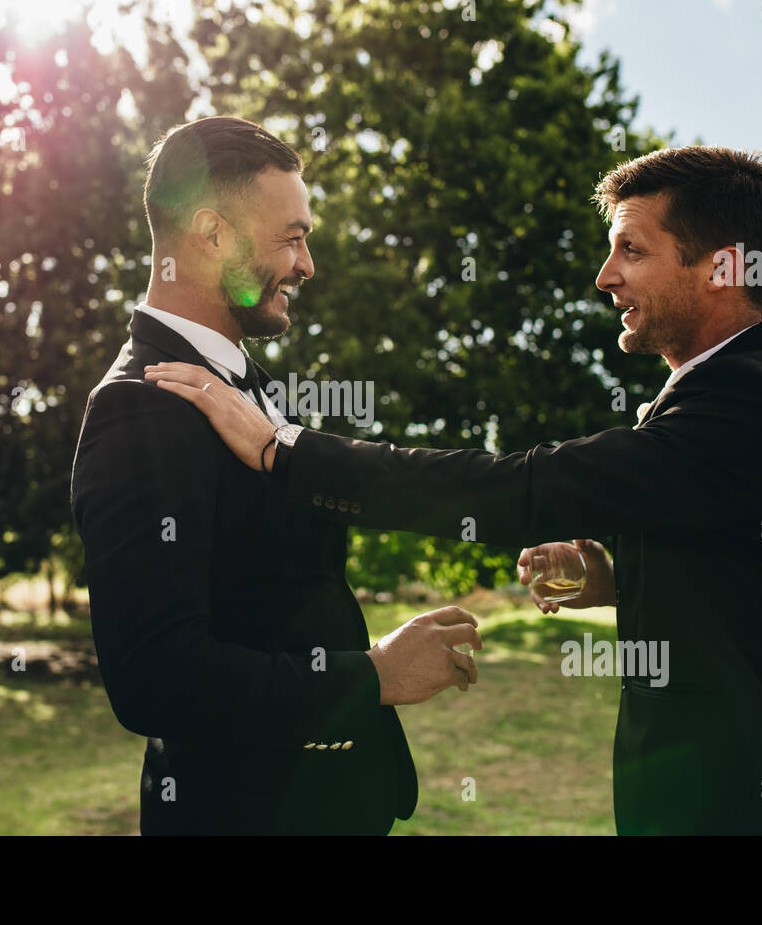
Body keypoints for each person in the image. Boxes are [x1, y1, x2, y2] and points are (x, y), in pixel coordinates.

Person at [146, 145, 762, 835]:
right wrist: (617, 578)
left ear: (723, 268)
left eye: (632, 249)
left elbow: (522, 487)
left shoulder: (748, 399)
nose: (605, 276)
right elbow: (745, 565)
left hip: (760, 797)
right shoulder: (744, 383)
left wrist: (288, 453)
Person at [70, 116, 480, 835]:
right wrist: (374, 676)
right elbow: (156, 679)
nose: (308, 264)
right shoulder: (141, 408)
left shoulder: (247, 388)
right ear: (213, 233)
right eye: (292, 236)